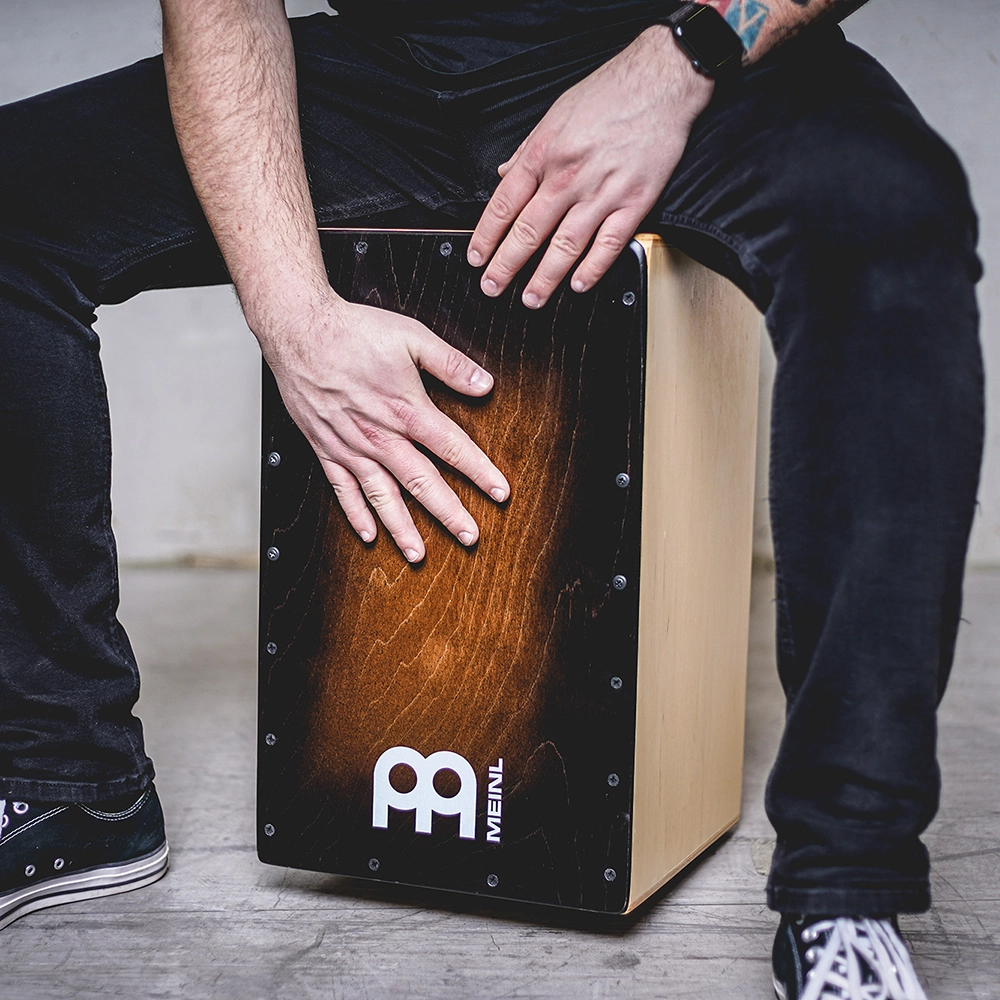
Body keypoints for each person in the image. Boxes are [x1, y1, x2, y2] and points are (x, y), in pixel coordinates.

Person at [0, 1, 983, 997]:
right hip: (388, 63)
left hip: (679, 43)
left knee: (890, 216)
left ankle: (843, 881)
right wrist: (293, 321)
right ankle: (67, 785)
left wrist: (683, 55)